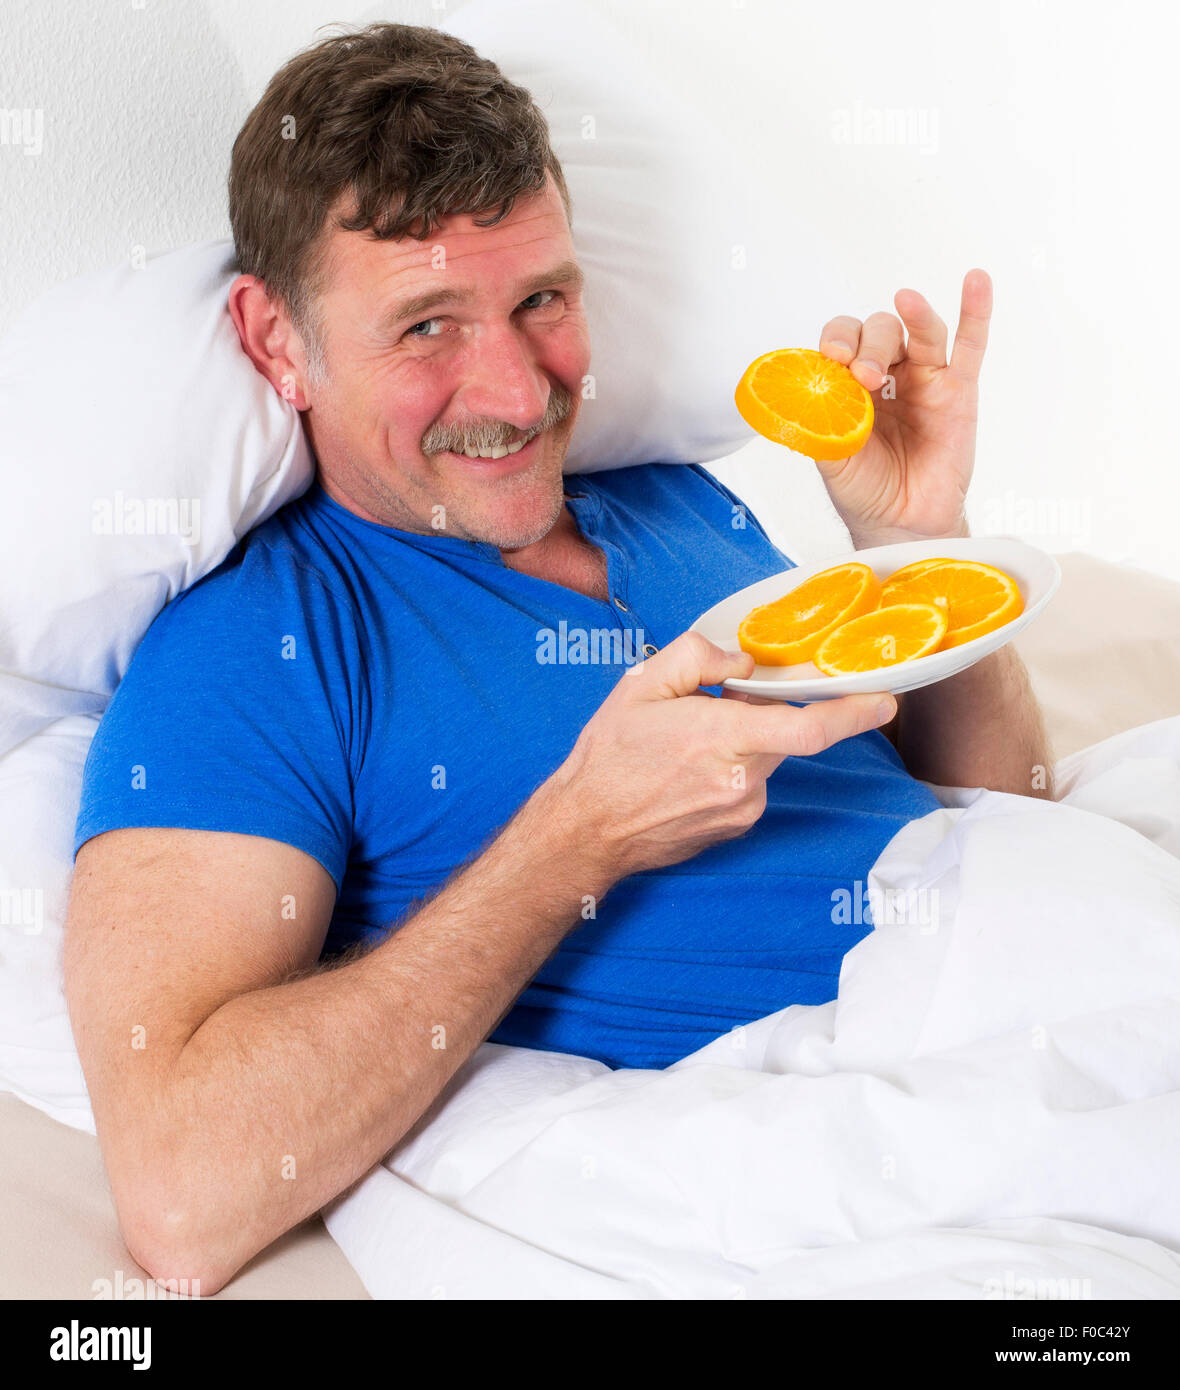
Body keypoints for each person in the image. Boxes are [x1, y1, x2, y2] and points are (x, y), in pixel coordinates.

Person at [64, 22, 1053, 1293]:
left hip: (1047, 958)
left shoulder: (681, 503)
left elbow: (1008, 813)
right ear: (275, 342)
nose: (521, 393)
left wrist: (916, 551)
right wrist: (578, 833)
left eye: (542, 300)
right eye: (426, 325)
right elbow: (179, 1192)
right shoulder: (254, 652)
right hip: (891, 1118)